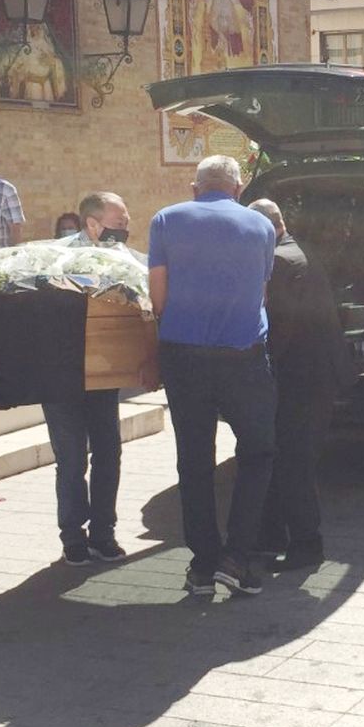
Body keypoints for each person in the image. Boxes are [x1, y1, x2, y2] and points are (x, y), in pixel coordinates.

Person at [149, 155, 276, 597]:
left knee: (195, 457)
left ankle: (202, 563)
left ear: (194, 187)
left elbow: (157, 296)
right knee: (258, 453)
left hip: (184, 355)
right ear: (238, 189)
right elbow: (259, 293)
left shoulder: (166, 220)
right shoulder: (261, 227)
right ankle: (237, 558)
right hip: (243, 354)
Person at [249, 198, 351, 573]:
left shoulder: (279, 262)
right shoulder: (297, 250)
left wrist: (258, 362)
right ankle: (272, 535)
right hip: (315, 374)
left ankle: (307, 544)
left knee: (293, 461)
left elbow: (279, 327)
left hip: (301, 377)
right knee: (285, 457)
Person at [44, 191, 138, 566]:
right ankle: (73, 537)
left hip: (104, 371)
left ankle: (103, 533)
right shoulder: (54, 259)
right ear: (93, 224)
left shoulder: (127, 261)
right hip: (61, 374)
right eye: (119, 225)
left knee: (109, 454)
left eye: (127, 224)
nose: (125, 231)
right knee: (70, 459)